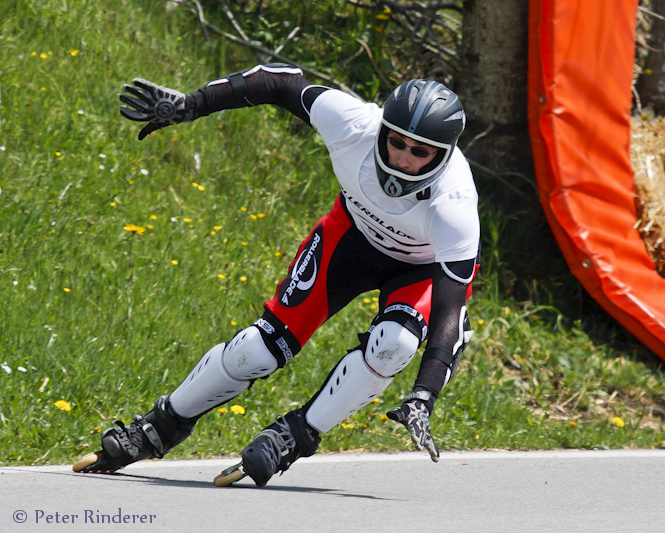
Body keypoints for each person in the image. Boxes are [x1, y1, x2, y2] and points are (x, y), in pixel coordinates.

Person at [75, 64, 480, 487]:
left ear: (445, 154)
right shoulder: (352, 124)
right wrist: (191, 105)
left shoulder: (453, 205)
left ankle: (296, 434)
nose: (403, 159)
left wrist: (424, 395)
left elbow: (449, 311)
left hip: (421, 268)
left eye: (421, 152)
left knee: (394, 345)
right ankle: (158, 427)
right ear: (382, 129)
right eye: (396, 142)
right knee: (256, 349)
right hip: (352, 239)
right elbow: (279, 83)